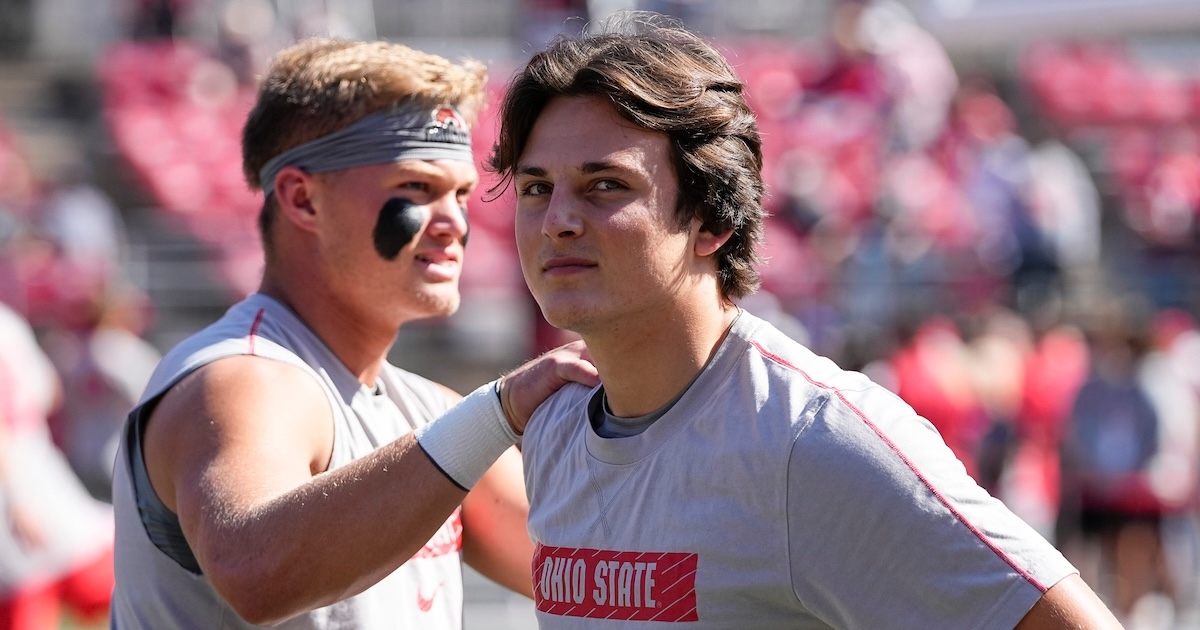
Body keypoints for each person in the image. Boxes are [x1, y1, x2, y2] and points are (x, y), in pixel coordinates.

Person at [487, 14, 1124, 629]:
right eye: (537, 188)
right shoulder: (555, 427)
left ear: (712, 220)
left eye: (605, 185)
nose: (556, 221)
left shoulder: (813, 440)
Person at [110, 37, 598, 629]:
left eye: (462, 194)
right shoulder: (242, 377)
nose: (454, 224)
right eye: (416, 189)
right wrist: (499, 413)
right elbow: (258, 572)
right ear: (302, 199)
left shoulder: (428, 410)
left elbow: (594, 574)